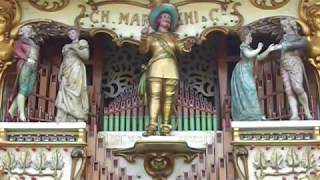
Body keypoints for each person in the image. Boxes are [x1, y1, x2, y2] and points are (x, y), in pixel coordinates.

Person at [139, 3, 195, 136]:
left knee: (169, 98)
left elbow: (181, 50)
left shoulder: (174, 37)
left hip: (171, 69)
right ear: (158, 20)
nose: (167, 19)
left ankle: (165, 125)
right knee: (155, 97)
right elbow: (143, 50)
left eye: (169, 18)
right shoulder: (152, 36)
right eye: (164, 17)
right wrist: (143, 37)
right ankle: (152, 125)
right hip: (155, 69)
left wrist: (187, 45)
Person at [231, 27, 280, 121]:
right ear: (245, 37)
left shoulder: (249, 48)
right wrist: (259, 48)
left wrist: (268, 50)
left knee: (251, 91)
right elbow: (249, 55)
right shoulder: (243, 46)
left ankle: (253, 114)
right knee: (250, 90)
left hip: (247, 71)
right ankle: (250, 114)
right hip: (242, 71)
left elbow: (259, 57)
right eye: (250, 36)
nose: (251, 38)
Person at [277, 18, 312, 120]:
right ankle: (294, 114)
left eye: (285, 26)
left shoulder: (300, 38)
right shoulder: (282, 39)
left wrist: (285, 46)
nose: (284, 29)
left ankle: (307, 112)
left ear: (291, 26)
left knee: (297, 87)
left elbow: (302, 45)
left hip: (294, 62)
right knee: (289, 90)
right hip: (283, 64)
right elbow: (278, 52)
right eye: (283, 27)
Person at [55, 28, 89, 122]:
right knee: (64, 92)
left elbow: (85, 56)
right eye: (69, 33)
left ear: (78, 33)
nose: (71, 35)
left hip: (76, 69)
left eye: (73, 32)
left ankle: (77, 115)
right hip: (66, 70)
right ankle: (64, 116)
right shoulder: (65, 46)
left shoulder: (82, 43)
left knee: (75, 92)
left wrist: (73, 47)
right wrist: (60, 72)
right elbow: (64, 60)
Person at [8, 25, 39, 122]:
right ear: (22, 31)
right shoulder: (19, 41)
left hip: (34, 66)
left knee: (29, 90)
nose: (29, 32)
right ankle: (22, 113)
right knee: (23, 88)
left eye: (30, 30)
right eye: (27, 30)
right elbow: (16, 51)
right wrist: (26, 59)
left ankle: (11, 111)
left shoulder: (32, 43)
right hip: (25, 65)